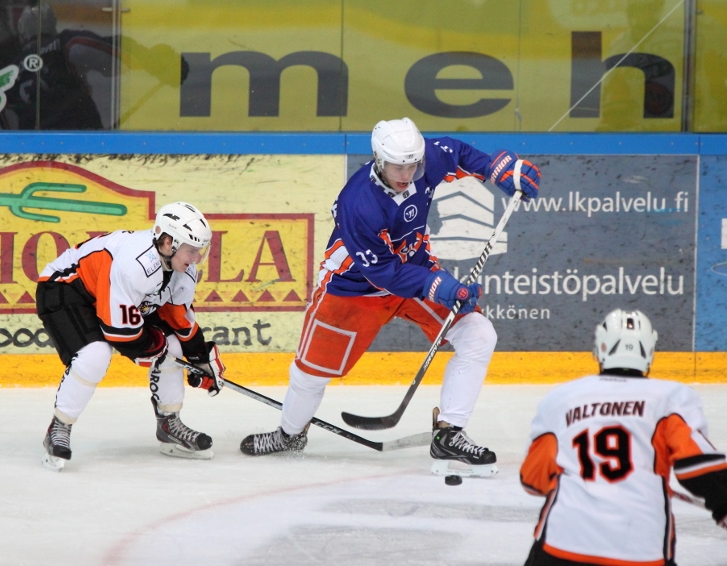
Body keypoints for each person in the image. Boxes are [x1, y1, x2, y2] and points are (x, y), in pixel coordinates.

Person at [239, 117, 541, 478]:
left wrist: (497, 168)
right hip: (353, 289)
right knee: (309, 373)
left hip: (413, 272)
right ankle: (289, 434)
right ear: (379, 159)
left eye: (412, 165)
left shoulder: (421, 160)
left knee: (478, 333)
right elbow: (381, 272)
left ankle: (449, 432)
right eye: (398, 166)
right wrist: (439, 286)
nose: (407, 173)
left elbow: (456, 151)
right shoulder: (358, 202)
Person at [520, 309, 727, 565]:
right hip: (640, 549)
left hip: (562, 542)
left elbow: (533, 480)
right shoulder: (670, 397)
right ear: (650, 351)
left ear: (600, 348)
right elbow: (698, 466)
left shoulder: (561, 398)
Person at [37, 202, 226, 471]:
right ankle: (59, 427)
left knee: (173, 346)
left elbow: (177, 316)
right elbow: (120, 333)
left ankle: (169, 424)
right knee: (95, 354)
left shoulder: (182, 268)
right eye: (192, 250)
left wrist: (199, 357)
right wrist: (155, 347)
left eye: (200, 251)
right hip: (68, 289)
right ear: (168, 242)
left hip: (114, 295)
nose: (196, 258)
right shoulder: (134, 266)